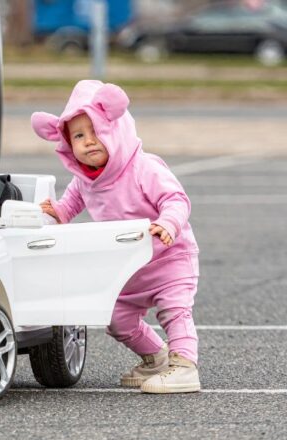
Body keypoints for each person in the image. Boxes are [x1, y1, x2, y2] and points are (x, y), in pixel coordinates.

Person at [31, 80, 201, 394]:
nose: (89, 142)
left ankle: (184, 365)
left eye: (97, 132)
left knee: (174, 310)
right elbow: (71, 205)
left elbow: (176, 200)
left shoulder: (143, 167)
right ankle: (157, 357)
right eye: (79, 136)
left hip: (168, 257)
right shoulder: (84, 179)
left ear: (117, 129)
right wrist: (55, 212)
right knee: (116, 319)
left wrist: (168, 223)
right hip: (127, 265)